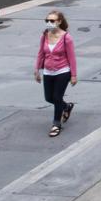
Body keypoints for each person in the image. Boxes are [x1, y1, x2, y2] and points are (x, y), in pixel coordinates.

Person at [34, 10, 77, 138]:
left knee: (57, 97)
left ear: (59, 22)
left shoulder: (66, 38)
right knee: (49, 98)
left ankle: (56, 124)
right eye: (47, 20)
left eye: (52, 20)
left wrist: (73, 75)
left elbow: (72, 58)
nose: (49, 23)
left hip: (62, 71)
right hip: (48, 71)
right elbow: (41, 53)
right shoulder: (45, 35)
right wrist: (37, 69)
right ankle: (66, 106)